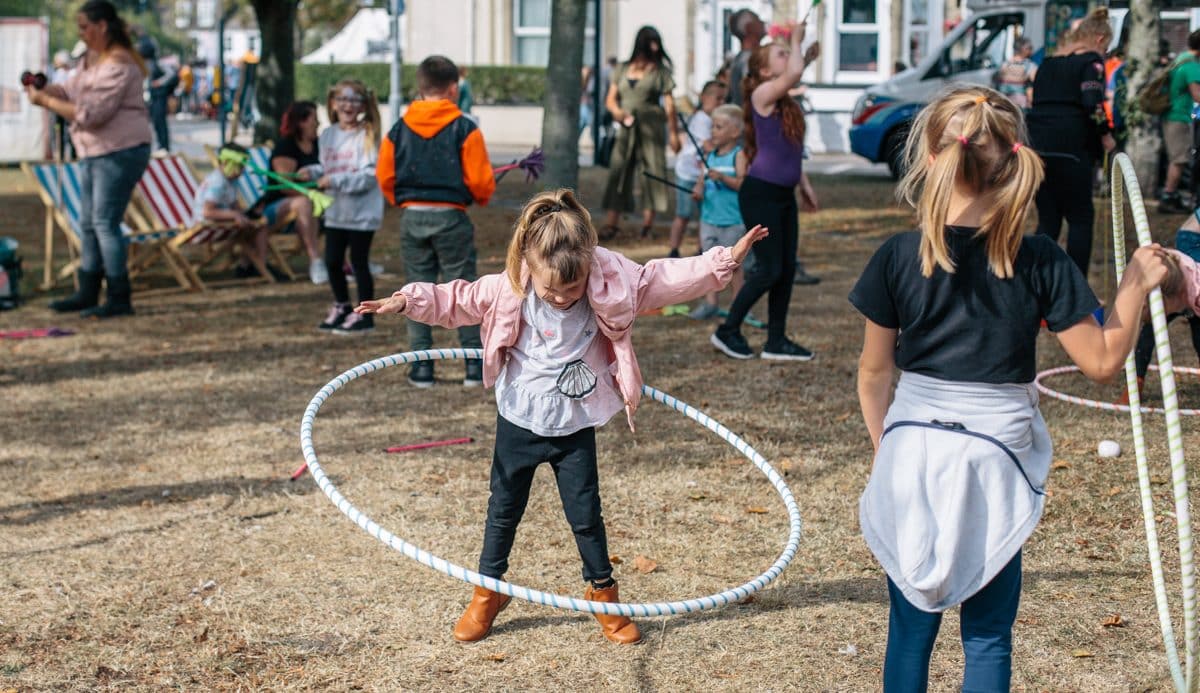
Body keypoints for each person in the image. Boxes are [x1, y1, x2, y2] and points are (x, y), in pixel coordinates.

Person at [850, 85, 1170, 692]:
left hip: (913, 454)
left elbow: (873, 374)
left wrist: (884, 447)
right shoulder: (1041, 259)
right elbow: (1102, 362)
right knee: (990, 635)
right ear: (1011, 165)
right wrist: (1134, 284)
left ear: (928, 159)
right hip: (994, 459)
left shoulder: (896, 256)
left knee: (909, 631)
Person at [354, 189, 767, 645]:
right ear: (528, 263)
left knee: (586, 514)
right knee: (502, 511)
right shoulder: (510, 287)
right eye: (551, 288)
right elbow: (458, 300)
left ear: (589, 267)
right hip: (519, 418)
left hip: (575, 424)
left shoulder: (609, 284)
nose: (561, 297)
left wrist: (723, 259)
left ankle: (603, 595)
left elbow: (661, 278)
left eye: (572, 288)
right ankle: (488, 592)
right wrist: (406, 301)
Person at [26, 0, 152, 318]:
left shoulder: (119, 64)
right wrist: (46, 88)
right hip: (94, 151)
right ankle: (88, 291)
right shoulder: (91, 60)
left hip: (120, 151)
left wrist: (45, 102)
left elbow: (90, 114)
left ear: (102, 26)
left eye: (84, 27)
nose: (81, 33)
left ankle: (119, 297)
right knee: (88, 223)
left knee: (105, 223)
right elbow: (70, 91)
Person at [376, 55, 494, 388]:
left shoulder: (398, 129)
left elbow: (385, 174)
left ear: (420, 87)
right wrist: (479, 196)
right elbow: (481, 181)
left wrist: (400, 199)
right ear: (454, 89)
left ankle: (422, 366)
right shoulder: (465, 128)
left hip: (413, 215)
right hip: (451, 216)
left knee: (415, 287)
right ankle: (473, 365)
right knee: (464, 289)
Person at [711, 21, 820, 362]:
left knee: (786, 269)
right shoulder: (761, 95)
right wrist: (799, 43)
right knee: (769, 270)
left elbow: (788, 150)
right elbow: (797, 71)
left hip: (783, 194)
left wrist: (804, 185)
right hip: (760, 193)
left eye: (789, 52)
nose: (788, 57)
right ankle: (727, 330)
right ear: (762, 69)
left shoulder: (784, 101)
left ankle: (776, 340)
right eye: (780, 54)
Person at [1026, 8, 1115, 278]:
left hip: (1039, 146)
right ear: (1099, 39)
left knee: (1048, 219)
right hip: (1072, 148)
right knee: (1080, 218)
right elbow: (1093, 105)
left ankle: (1036, 280)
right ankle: (1076, 285)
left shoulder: (1047, 64)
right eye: (1107, 47)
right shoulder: (1091, 64)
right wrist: (1106, 134)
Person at [313, 79, 385, 335]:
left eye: (354, 100)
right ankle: (341, 306)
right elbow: (325, 167)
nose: (347, 105)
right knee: (332, 261)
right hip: (336, 212)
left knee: (358, 262)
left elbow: (368, 176)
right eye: (342, 99)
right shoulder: (328, 134)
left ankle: (365, 317)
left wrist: (333, 180)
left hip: (361, 214)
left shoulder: (368, 134)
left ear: (363, 104)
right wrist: (310, 173)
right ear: (333, 103)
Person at [599, 26, 681, 240]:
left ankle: (647, 225)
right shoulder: (623, 69)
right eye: (650, 42)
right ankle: (611, 223)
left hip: (651, 127)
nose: (654, 46)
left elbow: (670, 106)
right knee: (619, 171)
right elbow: (611, 99)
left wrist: (673, 134)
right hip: (627, 128)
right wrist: (619, 114)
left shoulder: (660, 72)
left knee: (652, 172)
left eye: (656, 41)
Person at [1120, 212, 1200, 404]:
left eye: (1147, 308)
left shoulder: (1195, 294)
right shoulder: (1167, 273)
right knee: (1149, 334)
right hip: (1186, 251)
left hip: (1191, 244)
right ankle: (1135, 384)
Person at [689, 104, 748, 320]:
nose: (713, 131)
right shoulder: (710, 156)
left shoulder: (738, 155)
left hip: (732, 220)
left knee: (734, 266)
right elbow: (701, 181)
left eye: (719, 127)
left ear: (735, 132)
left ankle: (738, 306)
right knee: (709, 264)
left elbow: (743, 184)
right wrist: (698, 191)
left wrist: (723, 178)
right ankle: (710, 304)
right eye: (713, 126)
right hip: (709, 219)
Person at [193, 143, 283, 280]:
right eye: (240, 166)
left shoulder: (230, 181)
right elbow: (207, 212)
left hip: (222, 222)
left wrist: (247, 215)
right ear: (225, 163)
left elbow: (234, 205)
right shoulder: (217, 183)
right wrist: (235, 215)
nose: (243, 170)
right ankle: (259, 265)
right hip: (207, 225)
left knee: (257, 225)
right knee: (257, 228)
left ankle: (248, 265)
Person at [257, 101, 325, 284]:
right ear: (301, 122)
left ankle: (345, 263)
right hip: (276, 208)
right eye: (314, 120)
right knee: (304, 203)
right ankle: (315, 260)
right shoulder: (285, 147)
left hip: (312, 205)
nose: (318, 124)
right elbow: (284, 186)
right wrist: (312, 193)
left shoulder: (318, 145)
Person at [667, 79, 726, 259]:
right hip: (688, 173)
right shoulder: (702, 119)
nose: (721, 103)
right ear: (705, 97)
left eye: (724, 99)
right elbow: (708, 145)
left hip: (702, 175)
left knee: (704, 215)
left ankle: (702, 249)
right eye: (718, 98)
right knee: (683, 214)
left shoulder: (710, 119)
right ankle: (674, 249)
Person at [1158, 30, 1200, 214]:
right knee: (1179, 159)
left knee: (1177, 158)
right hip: (1178, 117)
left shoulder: (1180, 58)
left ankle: (1170, 195)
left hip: (1170, 114)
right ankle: (1169, 196)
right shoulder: (1191, 66)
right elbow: (1197, 94)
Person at [138, 36, 174, 154]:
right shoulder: (145, 63)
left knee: (160, 121)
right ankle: (160, 144)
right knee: (155, 121)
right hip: (151, 96)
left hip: (159, 95)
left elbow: (171, 74)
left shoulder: (158, 62)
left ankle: (164, 146)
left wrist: (160, 82)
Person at [726, 9, 766, 107]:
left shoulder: (743, 58)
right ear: (748, 28)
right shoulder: (749, 60)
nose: (762, 22)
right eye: (758, 19)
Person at [993, 36, 1036, 109]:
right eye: (1030, 48)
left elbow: (996, 79)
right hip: (1020, 102)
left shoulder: (1005, 64)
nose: (1032, 51)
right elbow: (1034, 80)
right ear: (1024, 49)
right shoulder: (1029, 65)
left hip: (1003, 100)